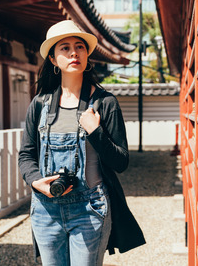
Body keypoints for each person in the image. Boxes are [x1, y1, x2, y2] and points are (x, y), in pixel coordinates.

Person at [18, 20, 145, 265]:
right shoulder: (40, 104)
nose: (73, 52)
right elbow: (26, 155)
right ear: (53, 60)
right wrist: (36, 181)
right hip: (45, 210)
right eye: (64, 48)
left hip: (90, 209)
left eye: (80, 47)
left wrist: (95, 131)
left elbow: (121, 162)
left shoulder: (105, 103)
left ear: (87, 55)